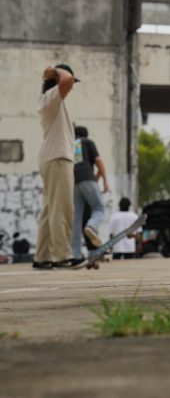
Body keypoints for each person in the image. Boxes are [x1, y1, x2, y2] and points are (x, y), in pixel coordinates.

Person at [33, 64, 80, 269]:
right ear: (55, 81)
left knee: (49, 210)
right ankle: (63, 256)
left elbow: (68, 81)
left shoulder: (50, 101)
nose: (71, 88)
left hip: (51, 159)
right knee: (61, 209)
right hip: (58, 159)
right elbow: (67, 79)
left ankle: (42, 257)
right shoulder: (52, 98)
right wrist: (54, 72)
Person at [71, 126, 110, 264]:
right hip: (87, 178)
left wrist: (96, 178)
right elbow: (98, 161)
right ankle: (92, 227)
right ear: (85, 134)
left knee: (77, 219)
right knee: (99, 208)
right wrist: (105, 180)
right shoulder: (88, 142)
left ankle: (75, 254)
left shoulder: (71, 144)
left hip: (75, 183)